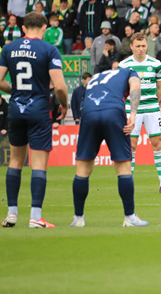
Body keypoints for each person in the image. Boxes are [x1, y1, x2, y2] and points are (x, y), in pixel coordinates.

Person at [0, 12, 68, 228]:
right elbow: (59, 87)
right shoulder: (49, 49)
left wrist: (14, 90)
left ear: (22, 28)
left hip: (16, 110)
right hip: (39, 110)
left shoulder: (8, 48)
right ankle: (35, 217)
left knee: (15, 161)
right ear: (45, 28)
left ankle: (11, 214)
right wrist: (64, 104)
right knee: (38, 164)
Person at [70, 67, 149, 228]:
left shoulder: (95, 78)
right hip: (113, 111)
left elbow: (83, 102)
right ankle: (130, 217)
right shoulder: (129, 72)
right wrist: (133, 115)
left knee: (83, 167)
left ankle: (78, 219)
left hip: (88, 113)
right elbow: (135, 87)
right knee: (123, 166)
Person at [118, 33, 161, 192]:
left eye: (143, 46)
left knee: (157, 144)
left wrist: (152, 102)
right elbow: (120, 89)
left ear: (147, 46)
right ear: (131, 47)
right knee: (131, 146)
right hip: (131, 110)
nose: (141, 49)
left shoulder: (156, 64)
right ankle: (128, 185)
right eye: (138, 46)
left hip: (152, 109)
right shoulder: (124, 65)